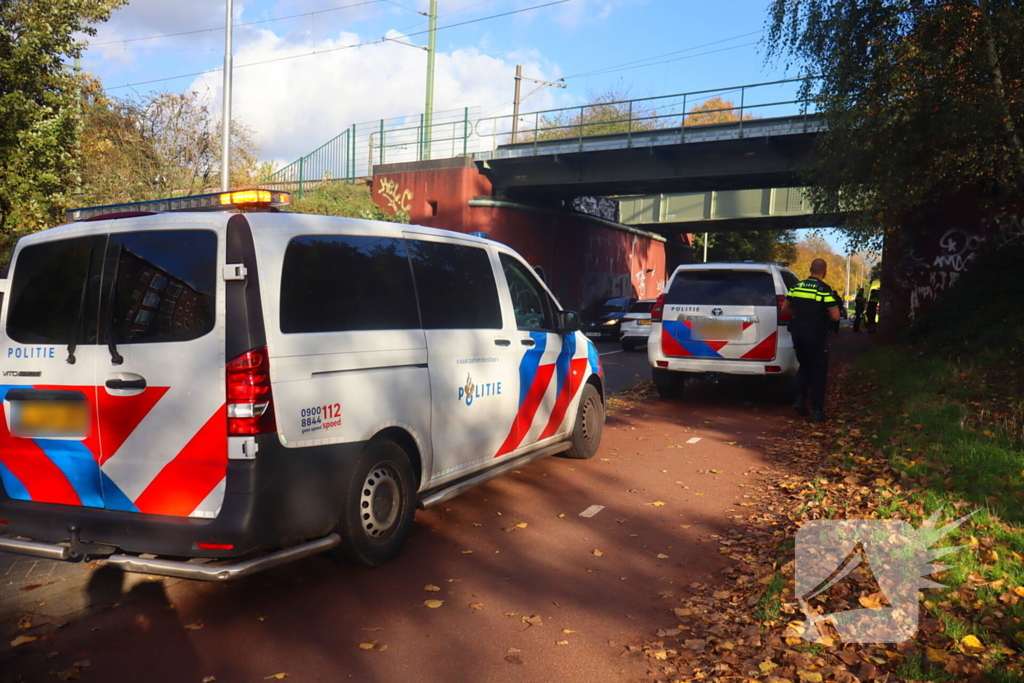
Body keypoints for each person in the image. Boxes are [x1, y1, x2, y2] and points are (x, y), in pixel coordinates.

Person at [781, 258, 840, 422]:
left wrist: (801, 315)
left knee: (804, 366)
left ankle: (800, 401)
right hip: (815, 334)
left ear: (810, 269)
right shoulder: (823, 289)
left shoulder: (796, 286)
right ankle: (817, 410)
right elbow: (835, 316)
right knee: (819, 370)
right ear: (825, 271)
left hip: (797, 332)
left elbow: (785, 308)